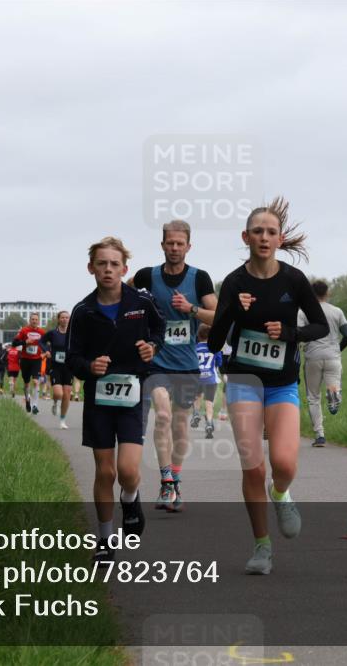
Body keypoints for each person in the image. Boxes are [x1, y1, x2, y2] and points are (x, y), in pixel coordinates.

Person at [207, 197, 328, 575]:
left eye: (270, 232)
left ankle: (281, 493)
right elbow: (213, 343)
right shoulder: (234, 282)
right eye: (257, 231)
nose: (263, 237)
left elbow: (320, 326)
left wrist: (290, 332)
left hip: (280, 384)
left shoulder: (293, 280)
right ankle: (262, 546)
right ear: (246, 236)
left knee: (284, 464)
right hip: (243, 379)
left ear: (280, 238)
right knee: (253, 468)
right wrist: (231, 311)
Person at [66, 236, 164, 563]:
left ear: (125, 268)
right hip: (99, 398)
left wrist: (152, 348)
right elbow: (72, 359)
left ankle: (131, 497)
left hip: (133, 393)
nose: (108, 269)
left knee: (127, 471)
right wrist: (89, 367)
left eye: (114, 264)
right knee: (105, 472)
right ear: (90, 268)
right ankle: (105, 540)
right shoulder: (83, 311)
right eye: (101, 263)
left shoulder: (141, 302)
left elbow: (159, 331)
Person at [129, 220, 218, 513]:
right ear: (162, 245)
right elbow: (123, 299)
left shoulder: (200, 279)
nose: (175, 248)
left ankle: (175, 479)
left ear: (188, 246)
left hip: (187, 364)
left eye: (180, 243)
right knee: (163, 416)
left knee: (180, 426)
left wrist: (190, 309)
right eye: (170, 243)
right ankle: (166, 481)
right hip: (156, 362)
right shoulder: (147, 276)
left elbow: (217, 317)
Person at [299, 280, 347, 447]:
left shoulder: (303, 313)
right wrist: (337, 350)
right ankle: (334, 394)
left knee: (313, 397)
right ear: (327, 293)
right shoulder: (337, 311)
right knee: (332, 386)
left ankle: (320, 435)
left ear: (311, 294)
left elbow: (299, 334)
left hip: (313, 357)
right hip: (333, 357)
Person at [43, 310, 73, 429]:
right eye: (62, 317)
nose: (65, 319)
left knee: (66, 394)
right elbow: (41, 341)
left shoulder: (73, 334)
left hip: (69, 367)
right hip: (55, 367)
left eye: (67, 317)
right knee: (58, 393)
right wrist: (46, 350)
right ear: (58, 319)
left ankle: (62, 420)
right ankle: (55, 403)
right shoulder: (52, 333)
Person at [12, 314, 48, 414]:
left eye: (36, 319)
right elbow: (14, 343)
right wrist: (25, 342)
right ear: (29, 320)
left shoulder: (42, 332)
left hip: (36, 360)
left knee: (36, 382)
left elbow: (46, 345)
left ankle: (35, 405)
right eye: (32, 319)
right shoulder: (24, 331)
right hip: (25, 360)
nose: (34, 321)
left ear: (39, 321)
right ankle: (27, 400)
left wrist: (45, 353)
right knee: (27, 383)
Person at [193, 325, 222, 439]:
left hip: (198, 378)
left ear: (198, 336)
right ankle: (209, 423)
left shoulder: (194, 348)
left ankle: (196, 413)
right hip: (211, 378)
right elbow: (219, 363)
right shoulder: (215, 348)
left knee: (197, 396)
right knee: (209, 402)